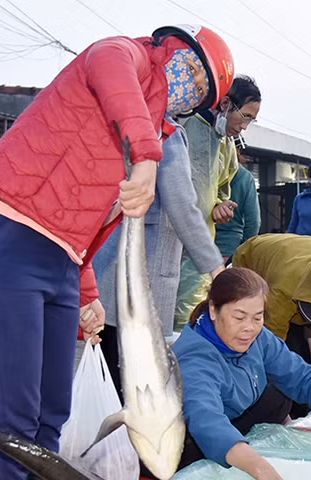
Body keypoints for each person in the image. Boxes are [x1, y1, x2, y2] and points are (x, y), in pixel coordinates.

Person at [0, 25, 234, 480]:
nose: (189, 87)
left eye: (201, 92)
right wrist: (148, 155)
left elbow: (91, 220)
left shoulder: (147, 133)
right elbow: (108, 62)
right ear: (170, 49)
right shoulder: (123, 57)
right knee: (14, 415)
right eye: (189, 69)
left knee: (52, 413)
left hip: (63, 266)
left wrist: (87, 291)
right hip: (7, 241)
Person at [173, 268, 311, 479]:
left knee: (279, 395)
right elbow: (208, 422)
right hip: (196, 441)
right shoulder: (195, 357)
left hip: (237, 417)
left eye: (257, 317)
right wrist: (261, 470)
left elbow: (299, 375)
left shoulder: (258, 337)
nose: (249, 328)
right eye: (239, 317)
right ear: (213, 310)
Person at [92, 111, 226, 401]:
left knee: (109, 375)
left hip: (108, 263)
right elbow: (182, 207)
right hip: (145, 273)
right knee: (135, 384)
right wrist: (216, 266)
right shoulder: (166, 132)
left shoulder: (122, 121)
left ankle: (107, 443)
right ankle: (126, 444)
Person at [173, 75, 261, 331]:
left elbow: (221, 187)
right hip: (167, 239)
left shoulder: (226, 145)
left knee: (187, 320)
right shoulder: (183, 127)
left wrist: (218, 207)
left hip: (198, 245)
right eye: (245, 116)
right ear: (225, 104)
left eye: (251, 120)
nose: (245, 126)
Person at [231, 234, 311, 398]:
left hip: (300, 261)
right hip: (253, 260)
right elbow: (270, 348)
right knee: (282, 357)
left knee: (305, 362)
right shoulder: (282, 293)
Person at [215, 138, 261, 263]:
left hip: (202, 248)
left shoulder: (207, 171)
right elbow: (253, 222)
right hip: (230, 250)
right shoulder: (245, 177)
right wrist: (244, 252)